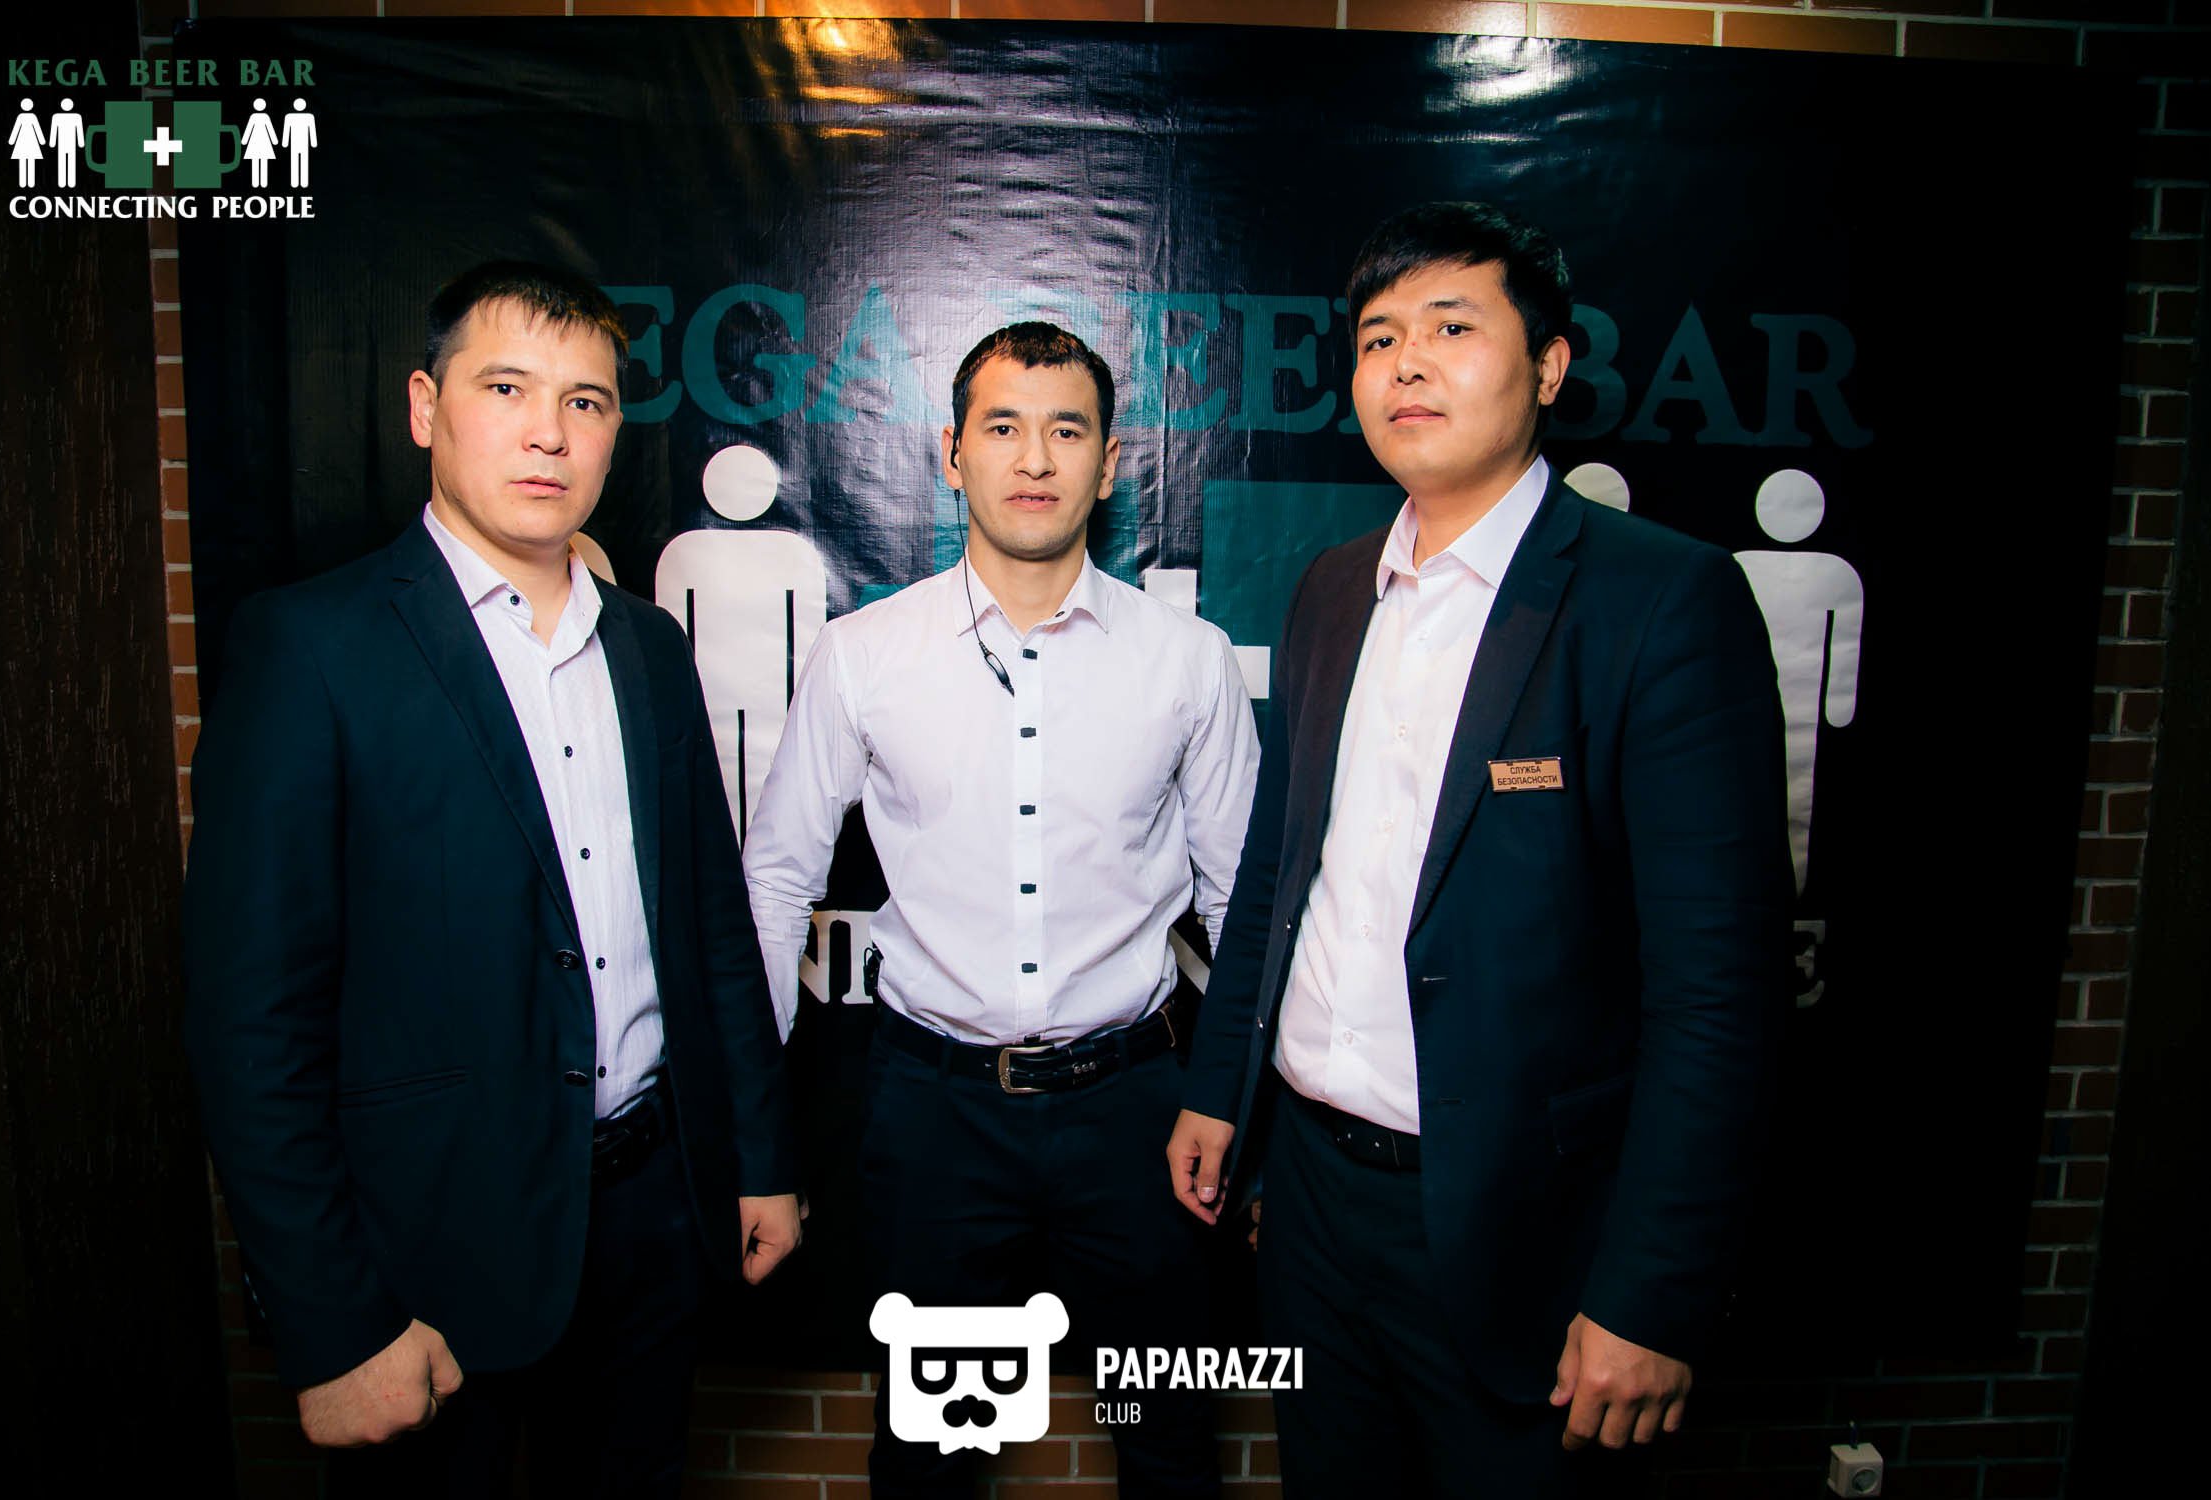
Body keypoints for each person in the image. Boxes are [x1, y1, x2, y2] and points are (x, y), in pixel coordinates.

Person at [1166, 202, 1791, 1496]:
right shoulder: (1331, 589)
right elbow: (1281, 875)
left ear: (1548, 366)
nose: (1406, 362)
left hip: (1521, 1232)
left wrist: (1652, 1294)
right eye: (1378, 337)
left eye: (1452, 328)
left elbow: (1719, 992)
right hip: (1309, 1206)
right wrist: (1222, 1091)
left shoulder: (1659, 600)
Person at [183, 261, 802, 1497]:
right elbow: (250, 1020)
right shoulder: (311, 647)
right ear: (426, 408)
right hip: (427, 1251)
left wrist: (760, 1160)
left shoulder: (648, 648)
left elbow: (713, 932)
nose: (548, 432)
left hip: (651, 1218)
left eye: (585, 402)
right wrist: (332, 1321)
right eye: (506, 388)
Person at [743, 322, 1258, 1498]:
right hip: (937, 1116)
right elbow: (776, 881)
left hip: (1139, 1114)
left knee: (1168, 1443)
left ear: (1109, 464)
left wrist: (1234, 1105)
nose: (1035, 458)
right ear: (952, 453)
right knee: (933, 1457)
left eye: (1066, 430)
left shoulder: (1188, 660)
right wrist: (752, 1119)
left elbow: (1242, 899)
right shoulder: (864, 654)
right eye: (1004, 427)